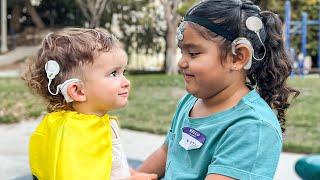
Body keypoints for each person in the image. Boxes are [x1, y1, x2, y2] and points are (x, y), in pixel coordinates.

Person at [138, 0, 299, 179]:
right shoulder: (190, 101)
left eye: (193, 54)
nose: (181, 62)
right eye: (182, 52)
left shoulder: (252, 126)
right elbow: (166, 152)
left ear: (238, 57)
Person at [23, 28, 157, 180]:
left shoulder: (87, 124)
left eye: (123, 72)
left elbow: (111, 162)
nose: (126, 82)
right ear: (78, 91)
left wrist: (133, 173)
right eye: (113, 74)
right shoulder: (76, 136)